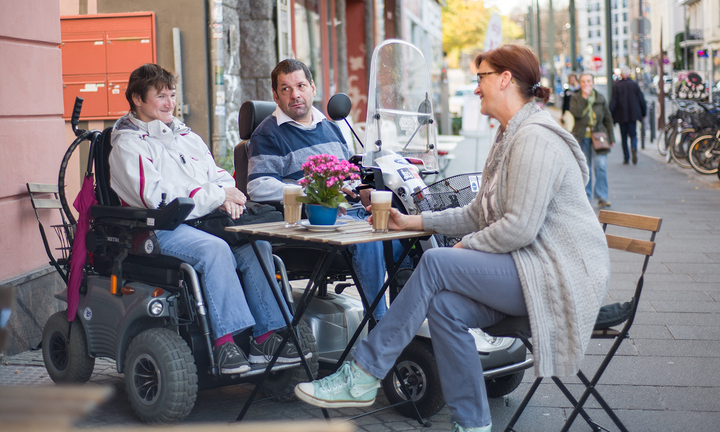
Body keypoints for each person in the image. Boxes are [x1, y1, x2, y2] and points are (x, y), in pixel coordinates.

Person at [293, 45, 610, 432]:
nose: (476, 88)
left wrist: (465, 247)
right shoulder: (509, 136)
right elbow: (479, 213)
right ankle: (472, 423)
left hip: (555, 276)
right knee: (444, 307)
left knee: (437, 263)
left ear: (505, 79)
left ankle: (363, 373)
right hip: (527, 268)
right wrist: (412, 222)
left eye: (481, 78)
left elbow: (520, 227)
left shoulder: (535, 139)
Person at [109, 64, 310, 375]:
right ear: (137, 98)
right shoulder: (127, 144)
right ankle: (224, 342)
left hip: (203, 220)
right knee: (215, 250)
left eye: (172, 95)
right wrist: (218, 197)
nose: (169, 103)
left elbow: (217, 176)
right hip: (161, 227)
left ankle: (266, 338)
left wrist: (226, 195)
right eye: (160, 96)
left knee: (256, 245)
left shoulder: (184, 134)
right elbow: (159, 198)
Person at [247, 59, 389, 320]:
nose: (295, 94)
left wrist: (362, 189)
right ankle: (382, 324)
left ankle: (413, 321)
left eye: (300, 85)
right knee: (368, 238)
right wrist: (314, 191)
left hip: (352, 212)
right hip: (313, 221)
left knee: (409, 241)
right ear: (275, 96)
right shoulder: (267, 133)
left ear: (312, 87)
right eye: (286, 89)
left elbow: (348, 176)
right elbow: (258, 186)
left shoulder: (332, 127)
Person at [570, 72, 615, 207]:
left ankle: (602, 196)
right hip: (582, 137)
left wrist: (611, 137)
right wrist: (584, 97)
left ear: (593, 83)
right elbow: (575, 113)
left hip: (599, 137)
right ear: (580, 83)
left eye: (588, 81)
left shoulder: (600, 98)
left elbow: (607, 118)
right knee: (585, 168)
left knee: (600, 165)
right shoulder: (576, 98)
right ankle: (586, 197)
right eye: (583, 82)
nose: (586, 84)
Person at [609, 66, 647, 165]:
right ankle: (634, 147)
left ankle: (626, 158)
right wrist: (643, 113)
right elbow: (641, 100)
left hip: (621, 116)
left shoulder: (617, 86)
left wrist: (610, 116)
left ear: (621, 75)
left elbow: (613, 103)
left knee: (624, 138)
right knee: (633, 134)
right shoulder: (634, 85)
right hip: (633, 115)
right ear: (629, 74)